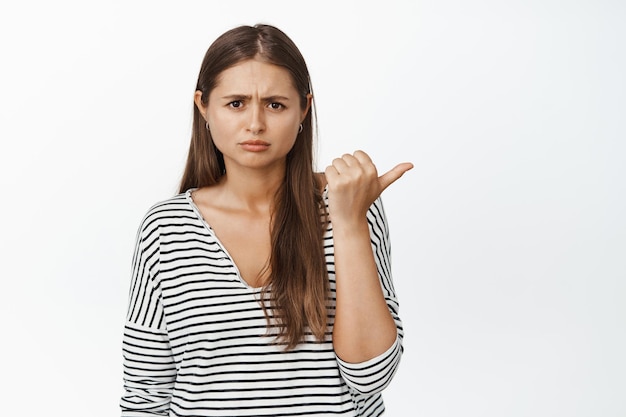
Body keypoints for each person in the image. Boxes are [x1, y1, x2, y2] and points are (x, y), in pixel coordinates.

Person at [120, 23, 413, 417]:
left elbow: (371, 376)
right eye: (236, 103)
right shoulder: (166, 228)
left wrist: (347, 223)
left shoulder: (351, 204)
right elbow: (145, 393)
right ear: (203, 106)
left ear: (303, 109)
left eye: (275, 104)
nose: (255, 123)